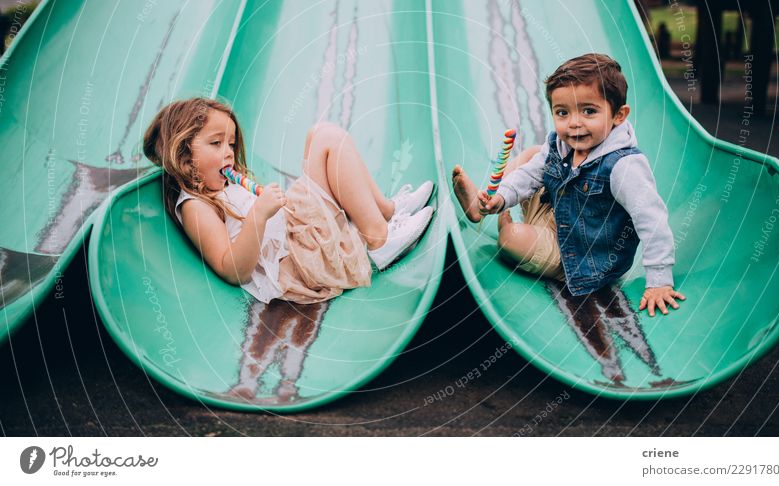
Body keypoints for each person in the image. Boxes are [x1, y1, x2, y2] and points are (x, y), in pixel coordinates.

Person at [452, 54, 683, 317]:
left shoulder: (623, 167)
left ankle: (505, 221)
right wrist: (503, 195)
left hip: (578, 257)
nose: (574, 122)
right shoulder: (559, 144)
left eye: (589, 111)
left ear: (619, 115)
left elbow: (652, 220)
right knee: (533, 156)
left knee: (510, 238)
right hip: (555, 215)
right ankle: (488, 206)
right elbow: (529, 176)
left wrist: (659, 281)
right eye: (563, 112)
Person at [143, 97, 434, 304]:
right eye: (216, 143)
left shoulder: (218, 186)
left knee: (319, 134)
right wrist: (259, 214)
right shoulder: (195, 206)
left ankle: (386, 211)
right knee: (328, 140)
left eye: (231, 144)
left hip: (297, 231)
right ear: (183, 155)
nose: (229, 152)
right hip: (298, 259)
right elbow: (232, 269)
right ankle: (380, 241)